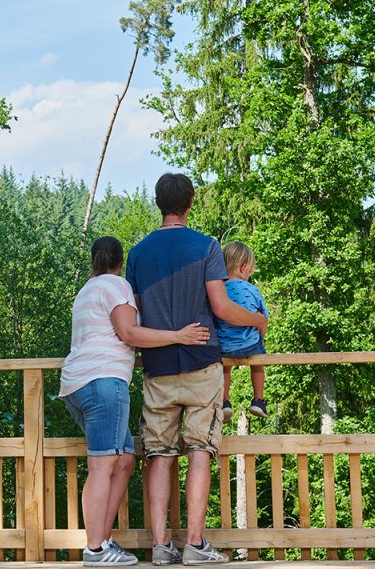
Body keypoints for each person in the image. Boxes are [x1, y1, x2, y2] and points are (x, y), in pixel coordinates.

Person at [124, 174, 268, 566]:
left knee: (159, 454)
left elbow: (133, 315)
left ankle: (159, 545)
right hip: (203, 362)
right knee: (200, 449)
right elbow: (221, 308)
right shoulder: (206, 246)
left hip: (156, 367)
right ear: (190, 203)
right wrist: (256, 320)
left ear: (158, 203)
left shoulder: (137, 254)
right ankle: (194, 544)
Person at [61, 236, 211, 567]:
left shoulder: (87, 290)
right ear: (120, 261)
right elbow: (129, 333)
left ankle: (102, 540)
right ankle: (95, 550)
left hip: (76, 383)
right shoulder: (117, 286)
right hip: (103, 381)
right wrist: (178, 336)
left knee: (125, 459)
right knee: (102, 466)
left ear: (94, 260)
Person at [215, 241, 269, 420]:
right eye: (250, 270)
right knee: (258, 363)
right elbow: (263, 320)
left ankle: (224, 402)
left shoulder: (218, 290)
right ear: (243, 268)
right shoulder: (253, 290)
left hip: (224, 346)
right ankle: (258, 400)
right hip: (250, 345)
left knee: (225, 369)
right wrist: (260, 339)